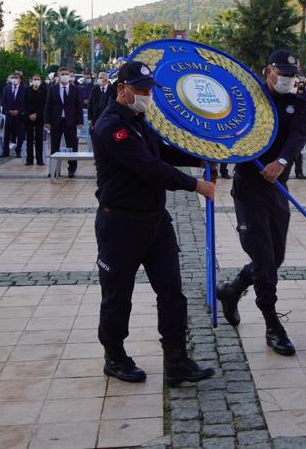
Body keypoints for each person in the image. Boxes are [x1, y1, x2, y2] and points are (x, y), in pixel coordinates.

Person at [91, 60, 216, 385]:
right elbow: (148, 166)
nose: (147, 96)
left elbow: (161, 152)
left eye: (150, 90)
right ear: (122, 89)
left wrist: (201, 158)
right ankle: (114, 356)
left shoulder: (138, 120)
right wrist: (195, 185)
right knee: (118, 294)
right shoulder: (111, 128)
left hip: (155, 222)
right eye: (141, 90)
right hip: (120, 224)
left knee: (172, 290)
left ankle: (176, 360)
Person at [217, 50, 306, 356]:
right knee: (264, 258)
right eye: (282, 74)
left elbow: (297, 137)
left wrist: (281, 162)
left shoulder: (297, 102)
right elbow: (228, 127)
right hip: (249, 189)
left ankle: (231, 290)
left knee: (276, 256)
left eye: (292, 76)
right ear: (268, 70)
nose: (287, 80)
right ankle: (272, 324)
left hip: (277, 188)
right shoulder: (249, 99)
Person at [45, 67, 84, 178]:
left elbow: (79, 107)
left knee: (72, 146)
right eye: (63, 74)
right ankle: (54, 170)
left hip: (71, 122)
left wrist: (80, 121)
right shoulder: (52, 89)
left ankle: (71, 169)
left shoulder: (75, 89)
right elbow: (48, 106)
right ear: (58, 76)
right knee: (54, 146)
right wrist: (47, 121)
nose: (65, 76)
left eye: (67, 74)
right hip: (56, 121)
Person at [23, 74, 47, 166]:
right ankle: (29, 159)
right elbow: (24, 103)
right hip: (28, 117)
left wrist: (37, 114)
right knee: (29, 138)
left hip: (39, 117)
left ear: (40, 80)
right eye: (35, 79)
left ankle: (39, 159)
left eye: (38, 79)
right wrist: (29, 114)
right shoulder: (27, 90)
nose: (36, 81)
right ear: (31, 80)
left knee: (39, 138)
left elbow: (45, 104)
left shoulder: (44, 90)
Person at [1, 73, 25, 159]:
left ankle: (18, 151)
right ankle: (5, 151)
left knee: (20, 134)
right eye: (13, 77)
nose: (14, 79)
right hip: (9, 114)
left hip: (19, 115)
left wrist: (18, 111)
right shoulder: (6, 88)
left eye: (16, 78)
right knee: (7, 133)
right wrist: (8, 110)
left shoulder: (24, 89)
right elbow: (3, 101)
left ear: (20, 80)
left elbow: (25, 102)